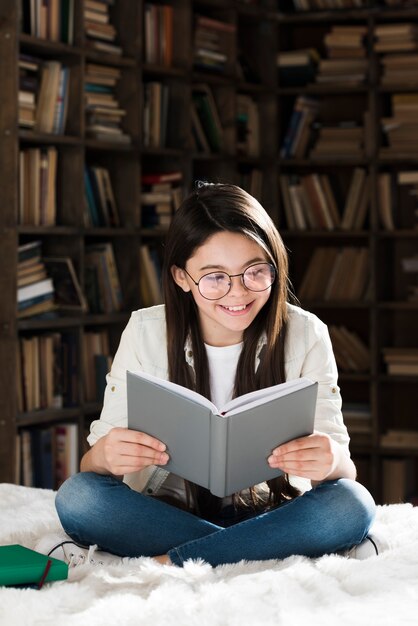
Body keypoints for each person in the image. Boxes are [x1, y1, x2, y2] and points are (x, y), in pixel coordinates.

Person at [53, 182, 377, 568]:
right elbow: (95, 471)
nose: (238, 293)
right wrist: (105, 454)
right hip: (168, 511)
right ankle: (246, 552)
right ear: (181, 278)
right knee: (78, 496)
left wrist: (330, 460)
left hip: (270, 509)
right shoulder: (146, 331)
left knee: (352, 505)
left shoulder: (306, 333)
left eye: (255, 272)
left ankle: (173, 561)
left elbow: (343, 472)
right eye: (215, 277)